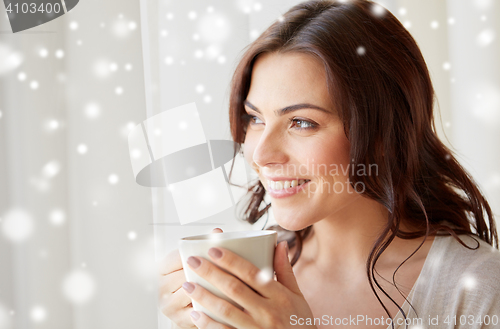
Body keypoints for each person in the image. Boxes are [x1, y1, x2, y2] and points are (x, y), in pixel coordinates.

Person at [158, 1, 500, 328]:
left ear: (384, 132)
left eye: (302, 122)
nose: (261, 155)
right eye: (255, 118)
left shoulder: (476, 290)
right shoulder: (249, 280)